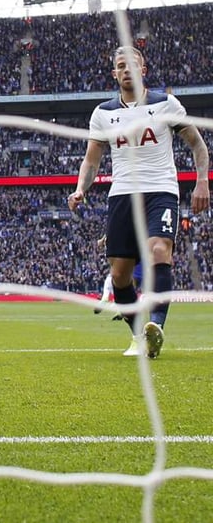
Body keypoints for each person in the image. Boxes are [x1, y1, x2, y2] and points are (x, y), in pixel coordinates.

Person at [68, 46, 210, 359]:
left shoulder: (165, 103)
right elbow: (92, 161)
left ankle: (155, 327)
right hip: (122, 195)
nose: (126, 70)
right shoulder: (103, 113)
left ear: (143, 69)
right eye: (121, 66)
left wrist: (202, 181)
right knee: (119, 274)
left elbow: (197, 144)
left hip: (160, 190)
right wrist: (80, 189)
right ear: (115, 73)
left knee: (159, 250)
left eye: (132, 64)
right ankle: (137, 336)